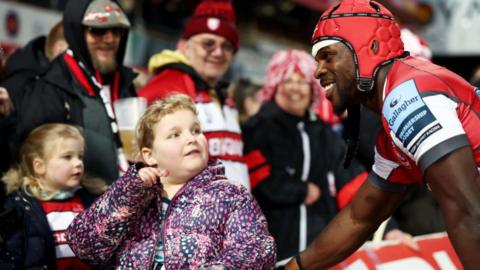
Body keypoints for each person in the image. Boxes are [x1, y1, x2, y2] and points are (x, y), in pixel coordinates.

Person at [284, 0, 480, 269]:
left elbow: (467, 211)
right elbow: (359, 219)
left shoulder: (407, 97)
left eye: (328, 56)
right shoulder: (397, 115)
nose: (317, 71)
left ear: (371, 49)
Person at [66, 93, 276, 269]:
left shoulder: (230, 195)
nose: (191, 138)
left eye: (196, 130)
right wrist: (128, 193)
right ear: (150, 156)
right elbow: (85, 245)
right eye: (175, 135)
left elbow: (257, 248)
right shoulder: (135, 196)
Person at [242, 50, 367, 264]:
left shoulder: (322, 131)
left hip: (320, 253)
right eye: (287, 80)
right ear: (275, 84)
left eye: (302, 82)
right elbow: (257, 179)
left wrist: (384, 226)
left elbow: (350, 179)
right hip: (275, 251)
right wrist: (301, 190)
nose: (295, 88)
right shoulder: (259, 127)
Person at [16, 0, 137, 183]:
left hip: (135, 199)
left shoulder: (126, 83)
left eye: (116, 31)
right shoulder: (50, 87)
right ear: (77, 32)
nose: (109, 39)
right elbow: (31, 162)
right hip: (83, 206)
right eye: (97, 30)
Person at [138, 0, 250, 190]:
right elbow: (142, 160)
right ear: (186, 46)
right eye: (208, 44)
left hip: (232, 214)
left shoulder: (222, 95)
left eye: (227, 46)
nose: (218, 52)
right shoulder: (168, 87)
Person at [0, 123, 106, 270]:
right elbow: (11, 257)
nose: (78, 163)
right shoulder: (23, 207)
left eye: (80, 156)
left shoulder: (92, 200)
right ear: (39, 166)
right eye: (67, 157)